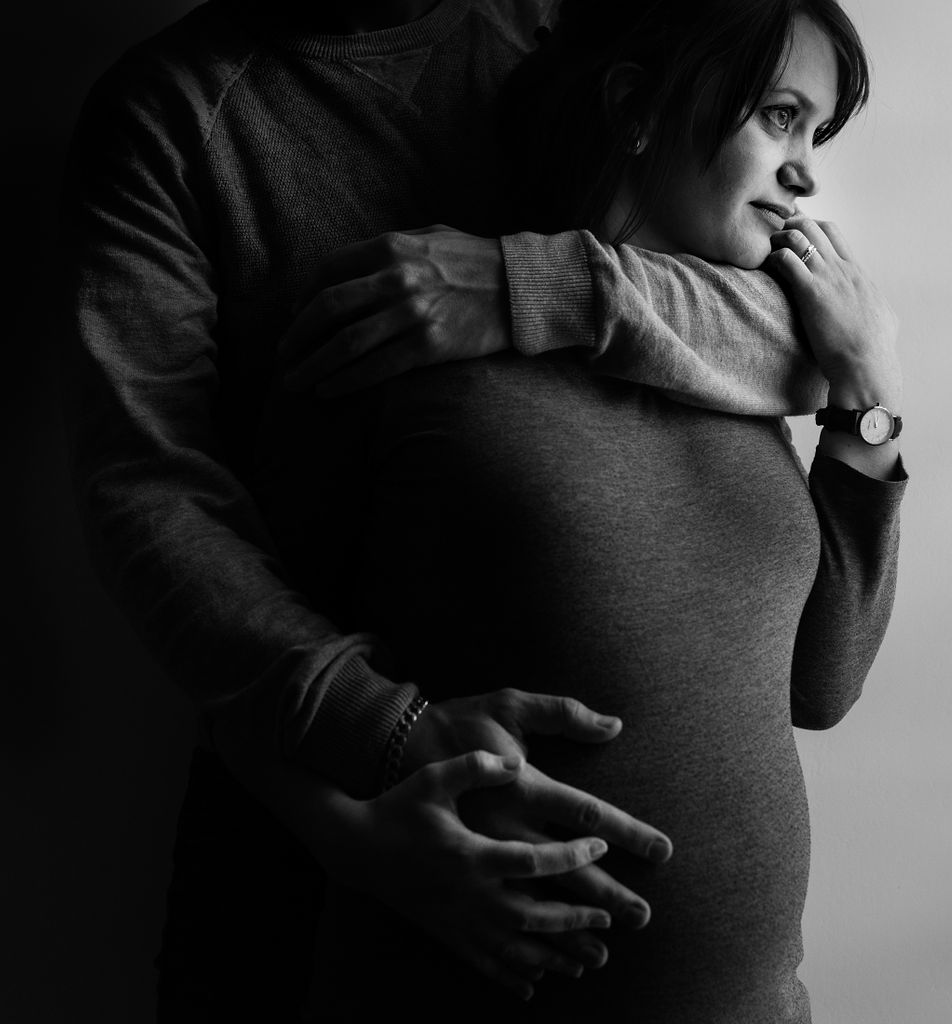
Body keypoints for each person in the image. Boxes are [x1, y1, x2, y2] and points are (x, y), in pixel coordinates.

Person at [57, 0, 896, 1020]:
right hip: (372, 881)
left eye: (812, 128)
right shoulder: (190, 131)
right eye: (780, 118)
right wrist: (357, 792)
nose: (805, 173)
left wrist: (868, 400)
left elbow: (822, 662)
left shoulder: (550, 27)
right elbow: (172, 509)